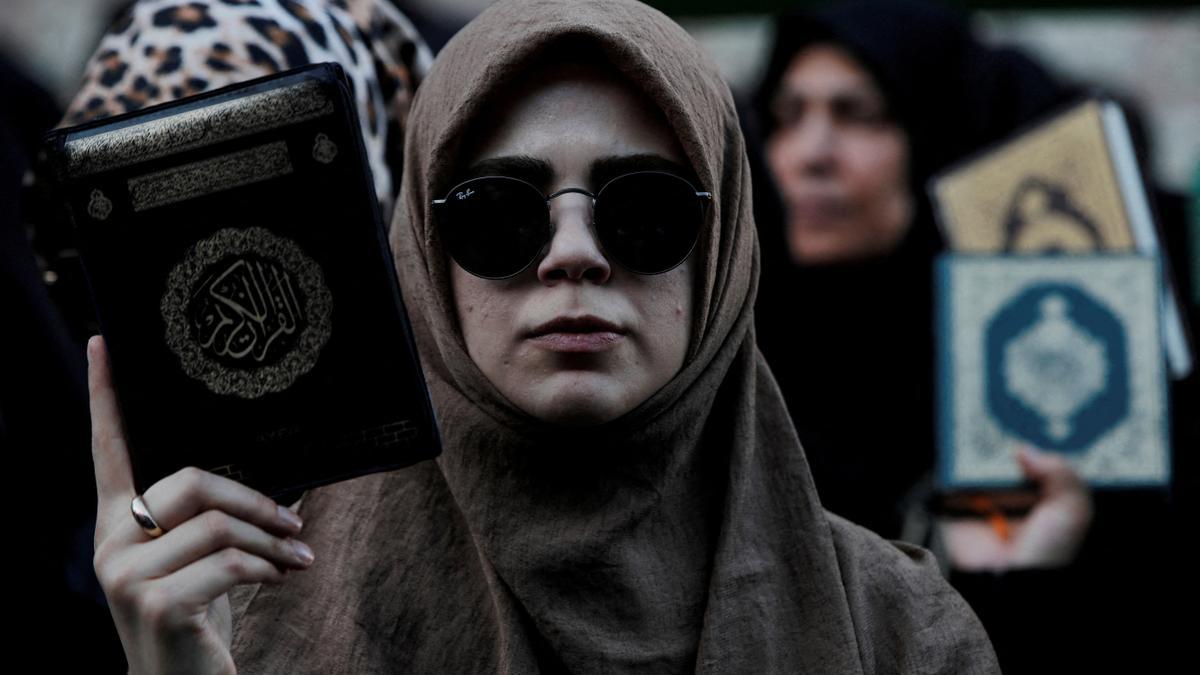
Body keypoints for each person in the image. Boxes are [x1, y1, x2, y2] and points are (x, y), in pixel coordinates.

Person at [87, 0, 1000, 672]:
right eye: (496, 215)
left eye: (644, 211)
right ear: (422, 256)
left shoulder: (902, 630)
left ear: (720, 255)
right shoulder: (240, 611)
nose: (573, 254)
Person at [750, 1, 1187, 671]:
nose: (810, 154)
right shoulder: (740, 355)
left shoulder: (1044, 378)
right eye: (788, 116)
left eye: (857, 114)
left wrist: (1028, 578)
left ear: (939, 134)